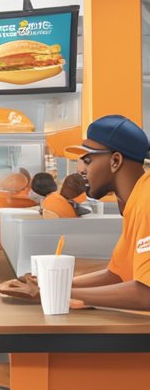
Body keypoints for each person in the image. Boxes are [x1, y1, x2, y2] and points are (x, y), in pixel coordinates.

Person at [8, 115, 150, 310]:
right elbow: (117, 275)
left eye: (88, 160)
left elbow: (146, 294)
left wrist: (55, 291)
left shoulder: (147, 199)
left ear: (115, 161)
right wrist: (48, 283)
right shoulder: (135, 200)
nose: (80, 169)